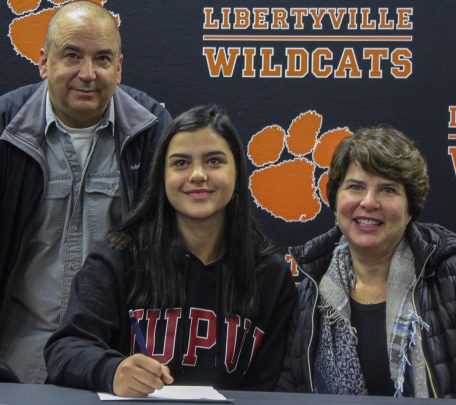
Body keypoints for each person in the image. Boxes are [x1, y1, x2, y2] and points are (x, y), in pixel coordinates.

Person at [44, 104, 297, 397]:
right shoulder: (120, 256)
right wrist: (111, 370)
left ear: (238, 172)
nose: (198, 175)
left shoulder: (270, 275)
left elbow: (270, 388)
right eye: (180, 163)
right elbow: (64, 349)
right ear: (161, 177)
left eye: (214, 161)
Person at [0, 1, 172, 383]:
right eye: (72, 56)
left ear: (119, 68)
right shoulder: (4, 130)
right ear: (44, 62)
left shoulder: (154, 134)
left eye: (102, 59)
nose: (88, 73)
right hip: (14, 366)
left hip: (113, 367)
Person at [276, 127, 456, 399]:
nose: (369, 202)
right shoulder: (312, 290)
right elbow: (289, 394)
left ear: (410, 209)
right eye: (356, 187)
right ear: (335, 200)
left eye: (388, 189)